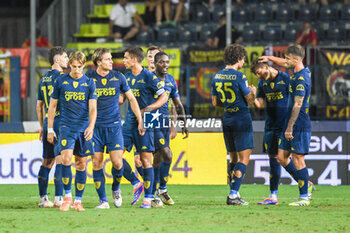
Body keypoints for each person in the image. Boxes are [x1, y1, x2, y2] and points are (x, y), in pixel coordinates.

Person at [87, 48, 144, 209]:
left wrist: (140, 120)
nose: (112, 62)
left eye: (111, 59)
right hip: (95, 128)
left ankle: (115, 188)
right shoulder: (89, 79)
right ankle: (103, 201)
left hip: (114, 127)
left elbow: (131, 99)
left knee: (117, 163)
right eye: (107, 59)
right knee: (96, 163)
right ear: (98, 62)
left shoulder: (118, 77)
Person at [259, 45, 313, 206]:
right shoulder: (296, 73)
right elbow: (283, 62)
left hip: (298, 124)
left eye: (287, 58)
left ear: (295, 60)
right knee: (281, 157)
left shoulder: (301, 78)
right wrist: (269, 59)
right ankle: (306, 185)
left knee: (298, 158)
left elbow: (298, 103)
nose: (284, 61)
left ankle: (304, 197)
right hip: (287, 123)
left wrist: (290, 127)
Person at [47, 51, 97, 212]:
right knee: (66, 159)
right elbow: (52, 106)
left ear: (83, 65)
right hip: (66, 126)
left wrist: (91, 126)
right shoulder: (61, 81)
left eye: (79, 67)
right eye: (73, 66)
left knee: (81, 163)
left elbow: (93, 108)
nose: (76, 69)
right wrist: (49, 128)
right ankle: (67, 197)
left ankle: (78, 201)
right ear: (70, 65)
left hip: (83, 127)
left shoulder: (89, 83)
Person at [121, 46, 168, 208]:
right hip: (129, 122)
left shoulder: (149, 76)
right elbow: (121, 100)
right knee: (116, 157)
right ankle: (136, 183)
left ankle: (149, 198)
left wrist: (147, 109)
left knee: (146, 160)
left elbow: (164, 97)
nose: (123, 61)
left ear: (134, 59)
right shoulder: (125, 77)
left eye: (126, 58)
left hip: (148, 120)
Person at [211, 44, 256, 205]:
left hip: (227, 119)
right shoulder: (240, 76)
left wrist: (231, 105)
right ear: (238, 58)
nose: (243, 62)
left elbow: (215, 102)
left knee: (233, 158)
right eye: (243, 59)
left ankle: (234, 193)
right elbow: (250, 100)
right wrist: (253, 92)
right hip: (241, 119)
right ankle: (233, 194)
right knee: (244, 158)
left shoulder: (216, 76)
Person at [150, 51, 189, 207]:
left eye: (167, 62)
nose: (165, 65)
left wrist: (183, 123)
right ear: (155, 63)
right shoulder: (149, 78)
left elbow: (177, 104)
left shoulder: (171, 80)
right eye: (162, 62)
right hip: (150, 122)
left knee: (158, 159)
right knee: (167, 154)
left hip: (164, 122)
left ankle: (152, 192)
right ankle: (161, 190)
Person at [250, 59, 290, 205]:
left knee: (282, 159)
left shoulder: (285, 79)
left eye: (259, 73)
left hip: (285, 125)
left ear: (266, 67)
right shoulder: (262, 83)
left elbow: (297, 99)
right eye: (256, 75)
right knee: (273, 159)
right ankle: (273, 197)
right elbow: (259, 104)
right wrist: (253, 95)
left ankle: (304, 183)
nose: (259, 77)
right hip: (270, 126)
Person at [36, 46, 69, 208]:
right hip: (60, 122)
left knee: (47, 162)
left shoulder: (43, 79)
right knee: (61, 160)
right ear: (57, 60)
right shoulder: (63, 79)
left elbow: (39, 106)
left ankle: (43, 199)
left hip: (47, 124)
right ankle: (59, 198)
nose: (67, 60)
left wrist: (43, 127)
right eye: (65, 57)